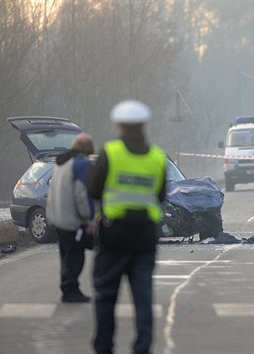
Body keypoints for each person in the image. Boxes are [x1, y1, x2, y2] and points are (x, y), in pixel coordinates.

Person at [87, 100, 167, 354]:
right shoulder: (157, 156)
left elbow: (93, 189)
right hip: (145, 238)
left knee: (106, 296)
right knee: (143, 299)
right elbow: (162, 195)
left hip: (114, 236)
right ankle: (142, 348)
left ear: (119, 125)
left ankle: (104, 347)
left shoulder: (110, 153)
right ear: (144, 125)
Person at [46, 133, 96, 303]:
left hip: (59, 218)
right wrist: (88, 218)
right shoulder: (81, 164)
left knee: (65, 255)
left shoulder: (61, 163)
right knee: (75, 256)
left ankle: (66, 287)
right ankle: (71, 290)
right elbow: (82, 194)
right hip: (73, 220)